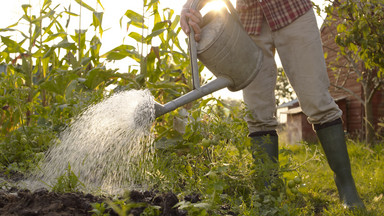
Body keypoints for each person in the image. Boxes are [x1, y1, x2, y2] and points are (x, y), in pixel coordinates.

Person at [180, 0, 365, 209]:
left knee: (317, 100)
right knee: (257, 113)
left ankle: (346, 185)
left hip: (292, 10)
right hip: (249, 21)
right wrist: (191, 6)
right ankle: (267, 193)